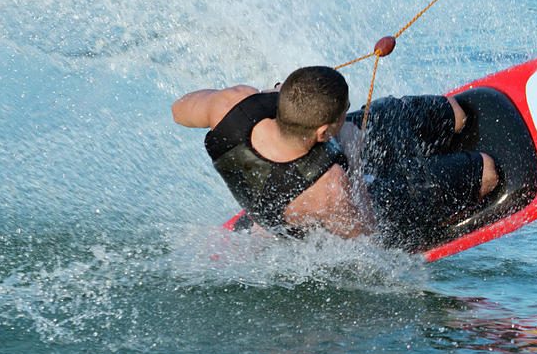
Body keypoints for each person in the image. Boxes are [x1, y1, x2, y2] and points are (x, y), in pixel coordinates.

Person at [171, 65, 499, 248]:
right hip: (338, 203)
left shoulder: (232, 104)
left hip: (302, 162)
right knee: (486, 172)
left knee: (453, 114)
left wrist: (267, 96)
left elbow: (179, 110)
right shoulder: (329, 187)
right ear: (323, 131)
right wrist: (354, 160)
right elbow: (369, 241)